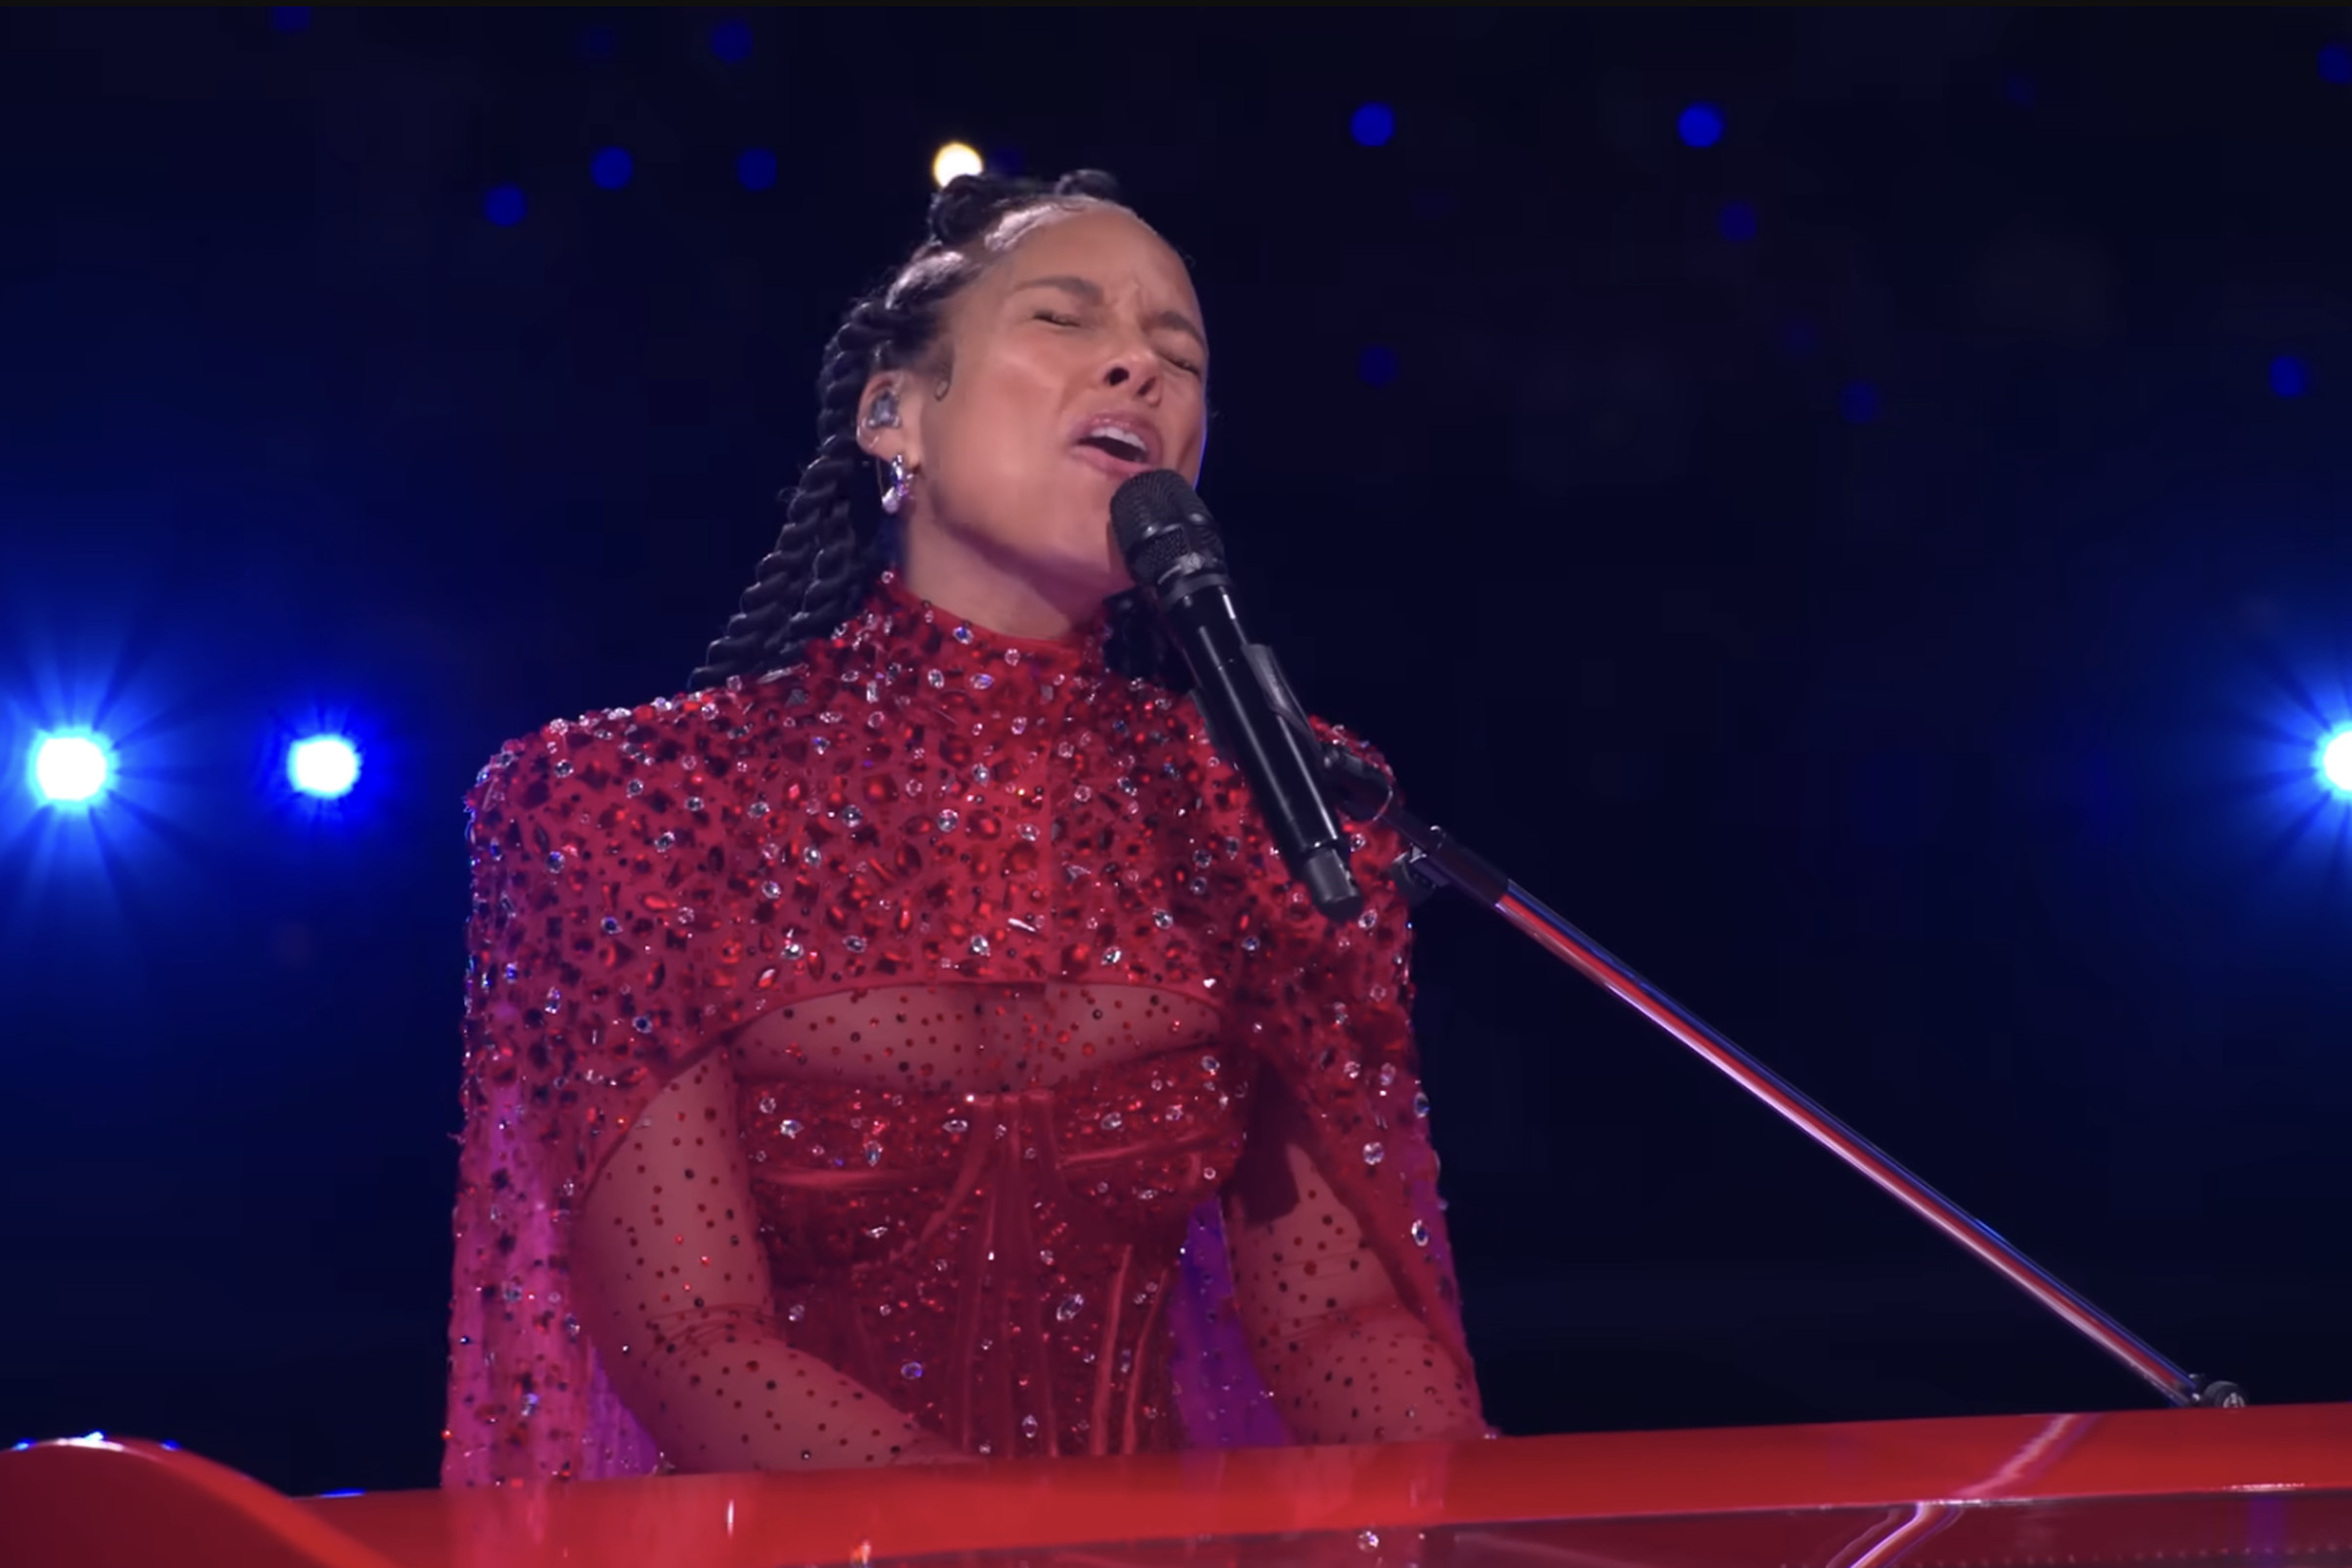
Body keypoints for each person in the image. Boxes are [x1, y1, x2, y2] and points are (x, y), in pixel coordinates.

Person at [442, 171, 1490, 1485]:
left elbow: (1339, 1319)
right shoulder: (631, 806)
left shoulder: (1268, 810)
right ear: (894, 414)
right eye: (1064, 318)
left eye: (1180, 357)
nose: (1139, 366)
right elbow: (690, 1337)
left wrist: (1481, 1521)